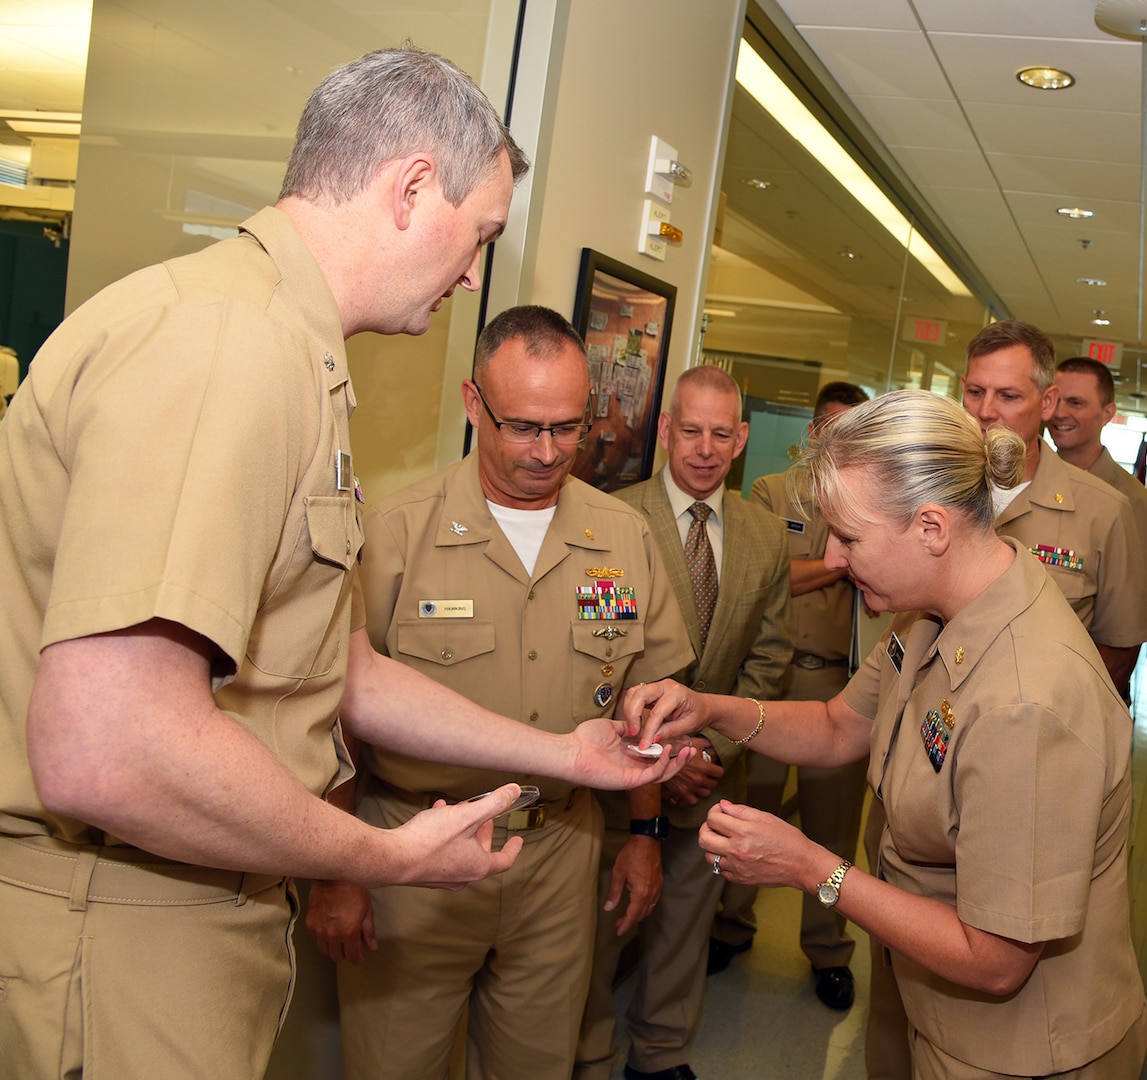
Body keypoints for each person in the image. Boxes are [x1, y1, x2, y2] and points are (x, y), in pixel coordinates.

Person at [0, 48, 687, 1079]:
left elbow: (343, 671)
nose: (470, 274)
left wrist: (566, 759)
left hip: (198, 893)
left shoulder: (284, 348)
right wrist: (381, 855)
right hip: (125, 911)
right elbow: (110, 742)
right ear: (412, 187)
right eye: (480, 235)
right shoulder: (230, 345)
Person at [624, 389, 1147, 1080]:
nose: (835, 559)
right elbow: (839, 725)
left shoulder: (1030, 701)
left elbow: (996, 959)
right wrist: (710, 708)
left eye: (849, 537)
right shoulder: (932, 613)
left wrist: (812, 868)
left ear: (931, 528)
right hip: (920, 993)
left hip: (1014, 1050)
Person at [306, 305, 695, 1077]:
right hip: (415, 852)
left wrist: (645, 841)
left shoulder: (623, 539)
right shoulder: (395, 535)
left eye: (567, 427)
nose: (548, 452)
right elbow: (340, 722)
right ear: (473, 403)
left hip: (559, 857)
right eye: (522, 426)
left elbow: (644, 701)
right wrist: (338, 870)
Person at [576, 364, 793, 1080]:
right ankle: (589, 1055)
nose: (704, 448)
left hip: (710, 776)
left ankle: (661, 1056)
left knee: (683, 927)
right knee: (604, 926)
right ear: (666, 430)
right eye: (690, 430)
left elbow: (770, 658)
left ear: (742, 441)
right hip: (617, 775)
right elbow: (602, 659)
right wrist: (653, 754)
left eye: (720, 434)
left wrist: (709, 749)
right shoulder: (607, 518)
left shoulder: (765, 536)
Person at [709, 380, 870, 1011]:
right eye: (828, 427)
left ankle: (828, 950)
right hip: (770, 682)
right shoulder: (771, 493)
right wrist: (838, 565)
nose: (837, 441)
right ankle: (730, 926)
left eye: (852, 430)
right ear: (811, 431)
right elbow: (768, 574)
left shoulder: (872, 501)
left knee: (831, 831)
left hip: (839, 683)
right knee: (754, 812)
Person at [961, 321, 1147, 693]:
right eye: (974, 391)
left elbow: (1119, 647)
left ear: (1047, 402)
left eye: (1008, 396)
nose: (985, 411)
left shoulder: (1106, 510)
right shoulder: (932, 488)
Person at [1050, 357, 1147, 612]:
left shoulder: (1132, 501)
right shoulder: (1031, 480)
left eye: (1075, 403)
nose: (1059, 413)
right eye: (1055, 400)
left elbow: (1133, 618)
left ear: (1107, 414)